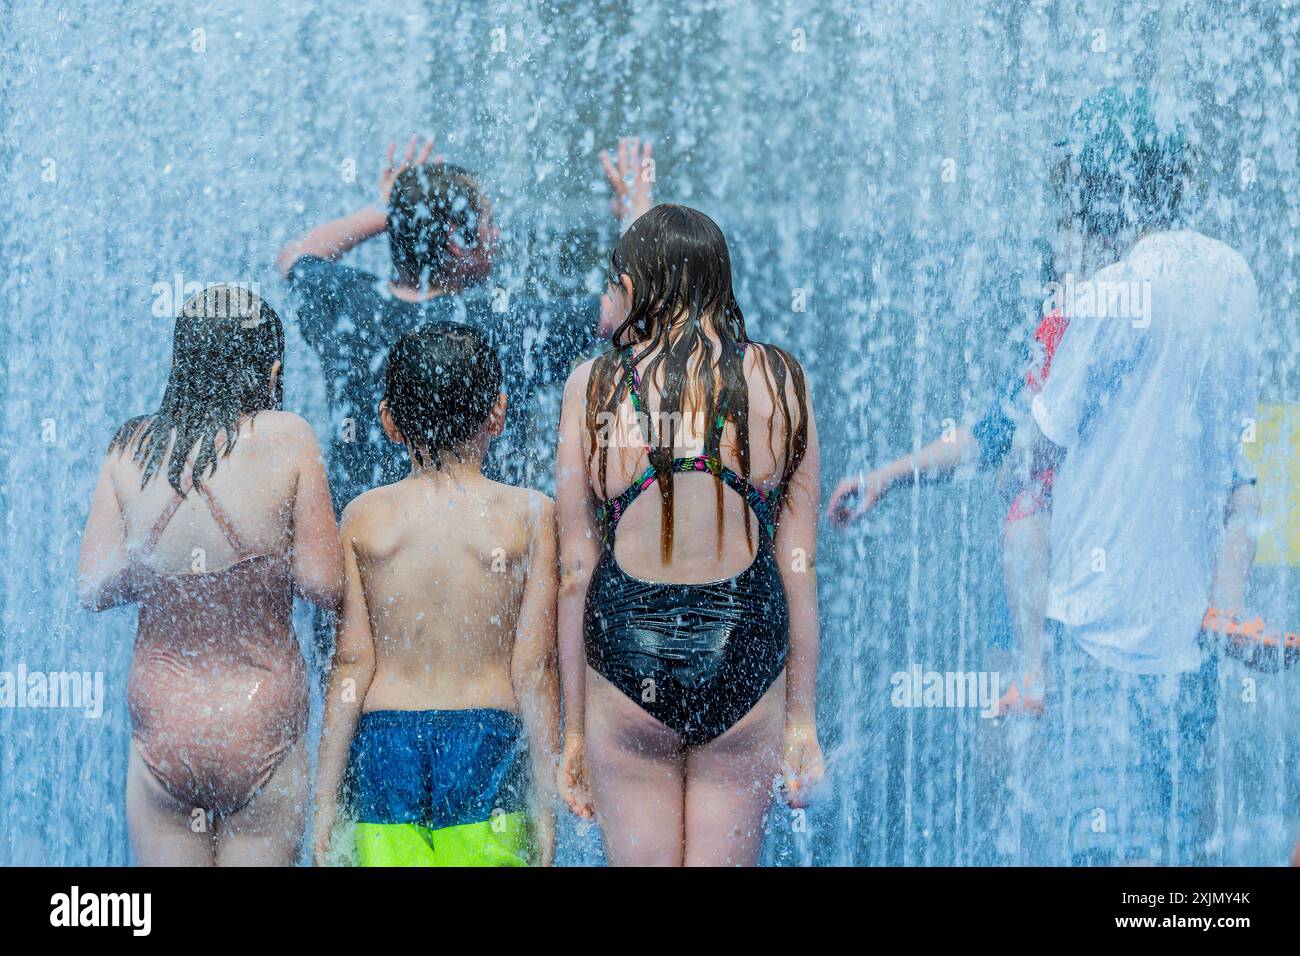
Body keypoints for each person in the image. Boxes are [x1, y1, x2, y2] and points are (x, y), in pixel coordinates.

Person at [1018, 87, 1259, 865]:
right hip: (1192, 638)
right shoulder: (1235, 280)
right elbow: (1228, 461)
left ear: (1100, 189)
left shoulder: (1117, 290)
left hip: (1104, 634)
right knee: (1179, 872)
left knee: (1100, 848)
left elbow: (1041, 444)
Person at [554, 204, 825, 866]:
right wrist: (802, 721)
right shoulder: (782, 380)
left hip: (627, 656)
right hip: (745, 650)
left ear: (638, 283)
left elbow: (574, 569)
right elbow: (799, 564)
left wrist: (575, 730)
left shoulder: (595, 385)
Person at [77, 285, 344, 866]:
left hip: (165, 728)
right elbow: (326, 584)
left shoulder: (131, 448)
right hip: (261, 724)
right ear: (270, 368)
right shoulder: (288, 437)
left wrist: (160, 559)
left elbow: (93, 588)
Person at [275, 135, 655, 510]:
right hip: (486, 545)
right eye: (489, 222)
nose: (498, 234)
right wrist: (637, 212)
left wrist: (386, 210)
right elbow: (634, 308)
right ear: (460, 240)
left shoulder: (348, 308)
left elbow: (296, 255)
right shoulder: (505, 323)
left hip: (366, 545)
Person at [312, 323, 560, 867]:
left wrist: (325, 798)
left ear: (390, 422)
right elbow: (535, 667)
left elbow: (352, 664)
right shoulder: (532, 516)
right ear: (496, 412)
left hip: (385, 745)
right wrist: (546, 798)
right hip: (487, 741)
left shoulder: (363, 517)